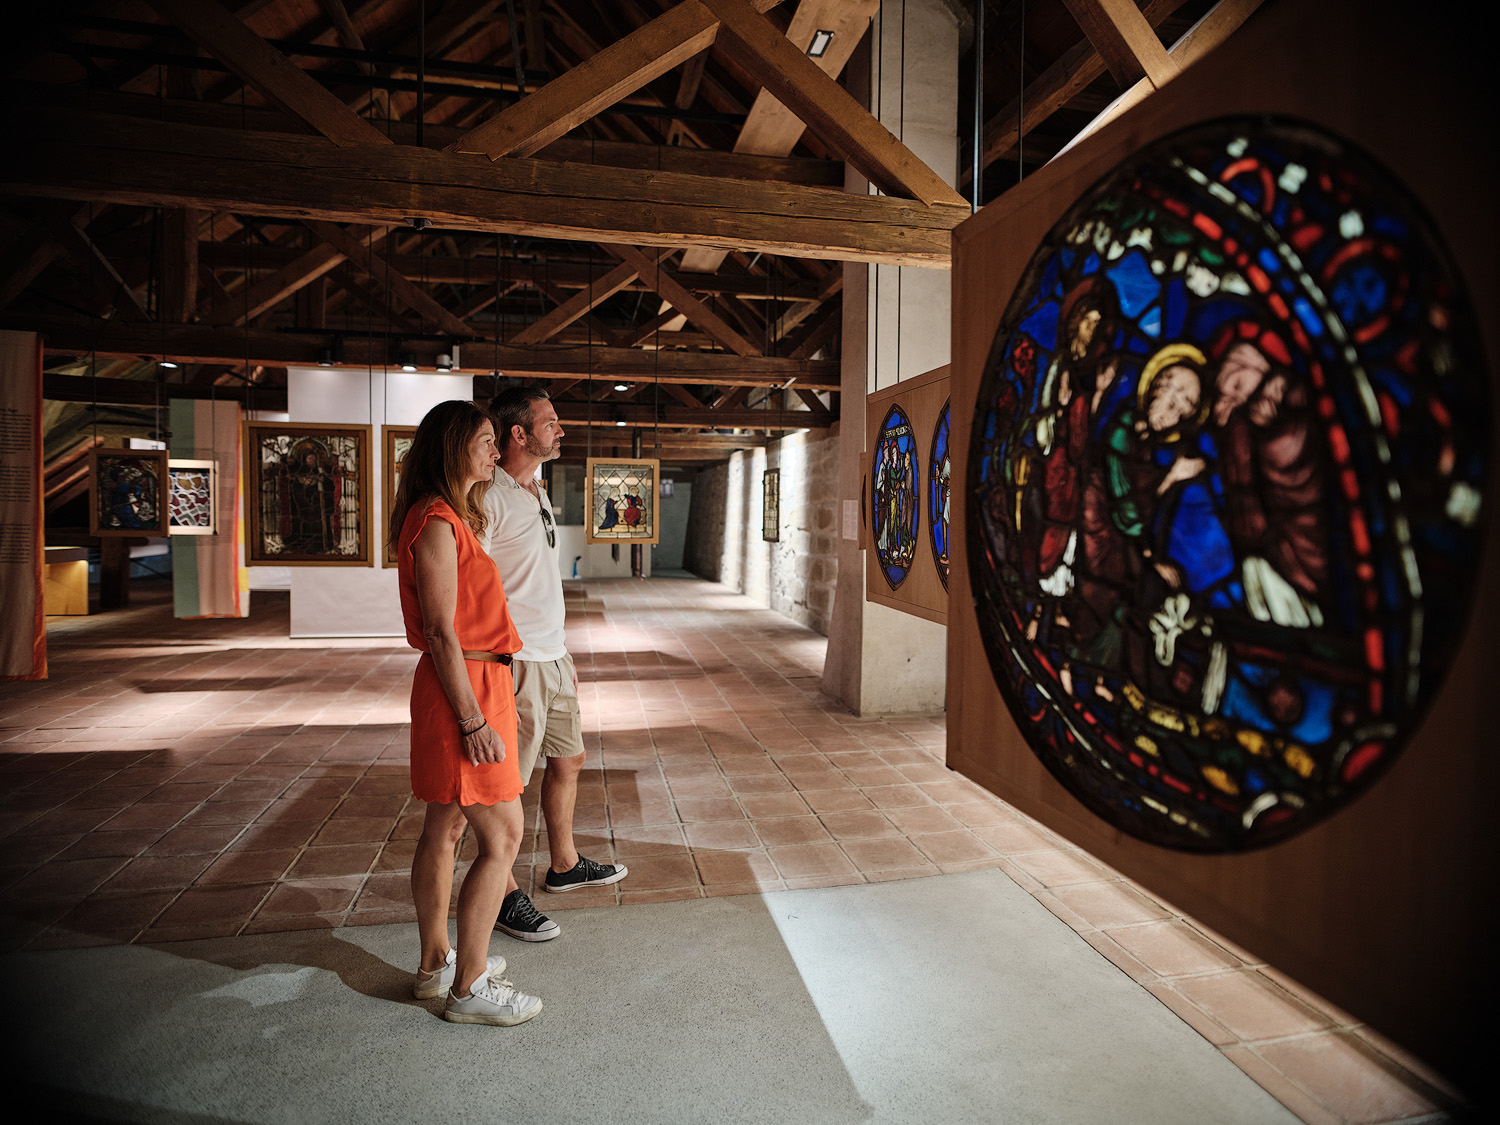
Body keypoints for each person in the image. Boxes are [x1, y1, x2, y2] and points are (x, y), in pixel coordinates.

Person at [390, 399, 542, 1026]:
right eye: (485, 441)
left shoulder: (452, 514)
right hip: (468, 688)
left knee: (445, 829)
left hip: (478, 682)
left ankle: (436, 966)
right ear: (453, 448)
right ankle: (469, 988)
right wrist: (474, 720)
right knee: (503, 835)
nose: (494, 451)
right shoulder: (436, 520)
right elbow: (441, 631)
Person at [485, 386, 628, 942]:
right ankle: (502, 894)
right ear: (519, 433)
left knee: (569, 759)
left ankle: (564, 865)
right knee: (507, 786)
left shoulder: (535, 491)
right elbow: (475, 585)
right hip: (518, 661)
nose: (560, 430)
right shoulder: (490, 497)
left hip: (553, 654)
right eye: (551, 423)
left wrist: (562, 652)